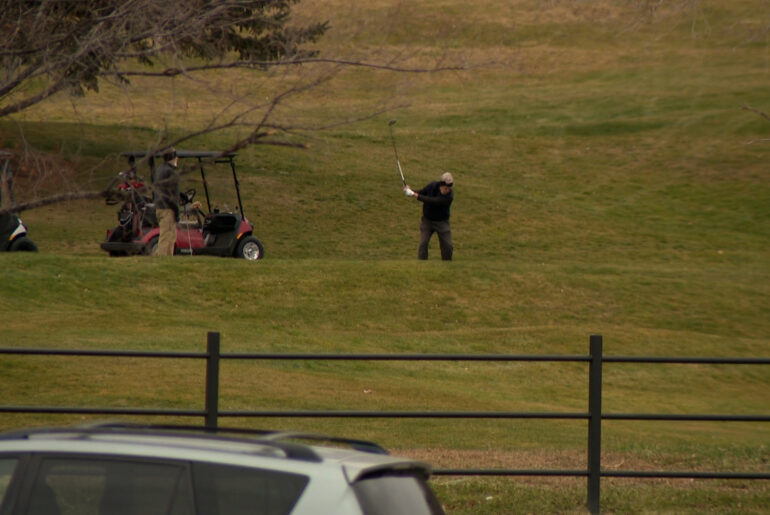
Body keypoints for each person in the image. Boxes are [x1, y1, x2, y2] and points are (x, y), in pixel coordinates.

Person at [405, 172, 454, 261]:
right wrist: (410, 191)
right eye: (445, 188)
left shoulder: (449, 197)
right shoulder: (432, 186)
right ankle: (422, 264)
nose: (447, 190)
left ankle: (447, 263)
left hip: (442, 222)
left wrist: (414, 194)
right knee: (423, 243)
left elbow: (432, 201)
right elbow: (422, 192)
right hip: (427, 220)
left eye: (449, 188)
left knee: (448, 245)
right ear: (441, 185)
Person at [152, 148, 180, 256]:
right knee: (167, 237)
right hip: (168, 208)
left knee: (168, 235)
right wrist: (177, 212)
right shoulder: (171, 172)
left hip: (159, 207)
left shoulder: (159, 169)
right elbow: (172, 194)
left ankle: (167, 259)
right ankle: (163, 259)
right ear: (174, 158)